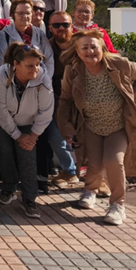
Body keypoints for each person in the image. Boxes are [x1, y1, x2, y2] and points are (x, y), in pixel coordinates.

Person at [58, 30, 136, 226]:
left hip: (118, 125)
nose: (90, 51)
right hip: (90, 124)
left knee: (113, 161)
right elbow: (65, 100)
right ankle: (90, 190)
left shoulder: (120, 64)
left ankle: (118, 205)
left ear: (102, 48)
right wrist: (67, 128)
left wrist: (135, 101)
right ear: (77, 52)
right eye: (85, 48)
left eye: (94, 47)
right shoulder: (73, 71)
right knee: (94, 163)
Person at [0, 42, 54, 219]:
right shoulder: (1, 74)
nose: (35, 70)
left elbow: (46, 111)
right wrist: (17, 135)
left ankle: (29, 199)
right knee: (4, 149)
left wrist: (32, 136)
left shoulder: (43, 80)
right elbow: (1, 110)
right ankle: (9, 188)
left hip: (27, 119)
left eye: (37, 64)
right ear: (16, 64)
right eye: (29, 66)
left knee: (27, 154)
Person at [47, 12, 79, 188]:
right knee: (54, 135)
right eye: (56, 25)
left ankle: (98, 179)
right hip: (56, 99)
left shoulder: (81, 44)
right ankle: (70, 170)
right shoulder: (47, 47)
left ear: (71, 26)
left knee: (89, 140)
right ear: (50, 28)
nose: (61, 28)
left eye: (65, 25)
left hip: (81, 98)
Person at [0, 0, 54, 79]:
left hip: (39, 82)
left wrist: (44, 80)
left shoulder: (40, 34)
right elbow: (2, 64)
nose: (25, 16)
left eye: (28, 13)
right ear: (12, 15)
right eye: (21, 13)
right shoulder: (4, 35)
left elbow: (49, 61)